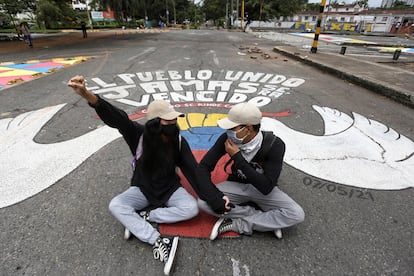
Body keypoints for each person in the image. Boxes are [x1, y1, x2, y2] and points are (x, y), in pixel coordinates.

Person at [67, 75, 199, 275]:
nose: (174, 122)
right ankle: (157, 240)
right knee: (116, 205)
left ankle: (146, 215)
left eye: (174, 118)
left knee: (191, 209)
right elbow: (117, 117)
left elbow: (194, 171)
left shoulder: (178, 140)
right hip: (142, 189)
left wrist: (215, 199)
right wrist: (87, 95)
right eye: (168, 119)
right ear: (155, 122)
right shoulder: (138, 134)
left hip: (170, 189)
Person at [196, 102, 305, 240]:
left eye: (232, 128)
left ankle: (239, 223)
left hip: (261, 189)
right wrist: (215, 199)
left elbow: (266, 187)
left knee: (296, 214)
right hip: (238, 186)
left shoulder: (275, 145)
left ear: (248, 128)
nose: (228, 132)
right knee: (203, 202)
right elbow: (203, 167)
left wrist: (237, 157)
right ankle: (266, 219)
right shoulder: (227, 139)